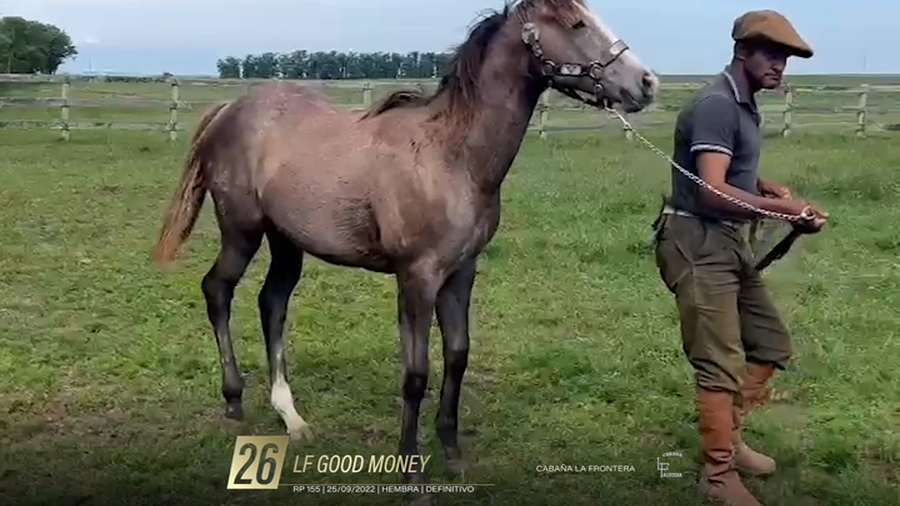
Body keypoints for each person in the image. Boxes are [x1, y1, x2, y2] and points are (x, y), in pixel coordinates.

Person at [652, 9, 829, 506]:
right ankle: (718, 476)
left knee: (769, 344)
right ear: (742, 52)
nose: (779, 66)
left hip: (727, 239)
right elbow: (709, 192)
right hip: (697, 241)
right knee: (719, 362)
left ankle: (728, 439)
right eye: (771, 54)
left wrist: (762, 187)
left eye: (786, 59)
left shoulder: (745, 103)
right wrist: (786, 208)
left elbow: (726, 176)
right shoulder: (715, 105)